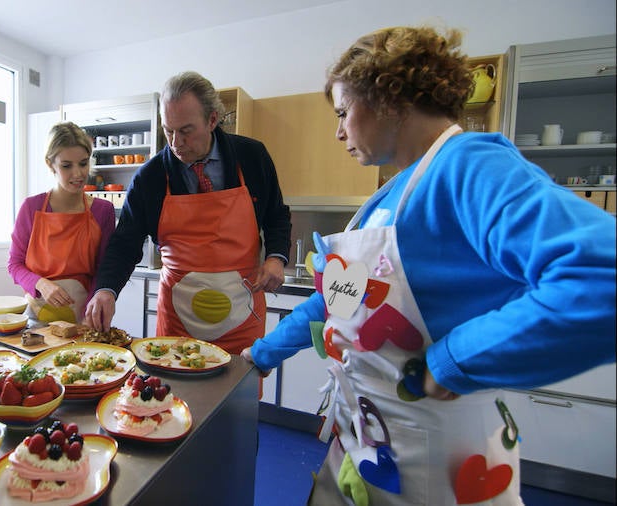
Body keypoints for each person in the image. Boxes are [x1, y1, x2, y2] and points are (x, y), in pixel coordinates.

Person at [242, 26, 616, 505]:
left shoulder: (469, 165)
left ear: (390, 100)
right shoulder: (388, 196)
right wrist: (262, 353)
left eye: (343, 112)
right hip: (366, 445)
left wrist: (455, 360)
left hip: (440, 460)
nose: (338, 131)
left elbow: (601, 280)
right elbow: (339, 301)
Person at [84, 71, 292, 354]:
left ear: (212, 120)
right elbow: (125, 242)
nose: (175, 142)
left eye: (186, 130)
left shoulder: (252, 157)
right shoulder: (150, 177)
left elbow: (276, 215)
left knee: (238, 396)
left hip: (242, 316)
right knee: (174, 397)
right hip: (177, 323)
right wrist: (106, 289)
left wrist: (276, 257)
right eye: (168, 130)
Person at [8, 122, 115, 323]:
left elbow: (104, 270)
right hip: (36, 320)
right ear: (51, 164)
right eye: (67, 166)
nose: (78, 174)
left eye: (83, 163)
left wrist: (92, 311)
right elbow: (15, 264)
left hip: (85, 318)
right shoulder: (32, 208)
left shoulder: (103, 211)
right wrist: (41, 284)